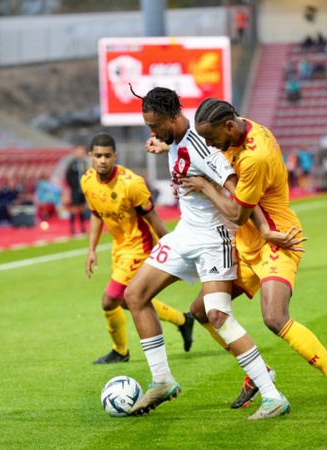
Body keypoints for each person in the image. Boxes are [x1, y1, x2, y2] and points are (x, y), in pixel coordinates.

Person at [180, 98, 327, 424]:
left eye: (212, 138)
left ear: (228, 127)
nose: (210, 145)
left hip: (278, 240)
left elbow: (238, 211)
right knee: (201, 311)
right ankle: (257, 370)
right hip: (249, 242)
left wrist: (207, 188)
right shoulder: (235, 129)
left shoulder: (255, 156)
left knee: (275, 317)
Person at [124, 86, 290, 419]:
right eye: (149, 128)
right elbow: (178, 151)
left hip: (215, 239)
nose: (152, 132)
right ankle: (162, 380)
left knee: (217, 316)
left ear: (174, 117)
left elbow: (239, 195)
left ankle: (273, 396)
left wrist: (266, 229)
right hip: (185, 232)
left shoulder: (204, 148)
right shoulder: (174, 139)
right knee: (134, 295)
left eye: (156, 126)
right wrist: (162, 145)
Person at [81, 132, 194, 364]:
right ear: (90, 156)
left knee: (109, 300)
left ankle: (120, 352)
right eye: (98, 156)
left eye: (107, 156)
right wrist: (91, 249)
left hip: (140, 247)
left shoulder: (131, 184)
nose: (103, 160)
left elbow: (154, 220)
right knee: (128, 300)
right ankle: (183, 320)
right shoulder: (87, 181)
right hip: (120, 248)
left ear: (115, 156)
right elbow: (96, 215)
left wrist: (173, 248)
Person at [65, 145, 90, 235]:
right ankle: (72, 229)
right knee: (74, 208)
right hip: (75, 189)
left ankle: (83, 228)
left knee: (82, 208)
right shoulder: (72, 164)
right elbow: (68, 177)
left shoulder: (84, 164)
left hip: (82, 189)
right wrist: (73, 187)